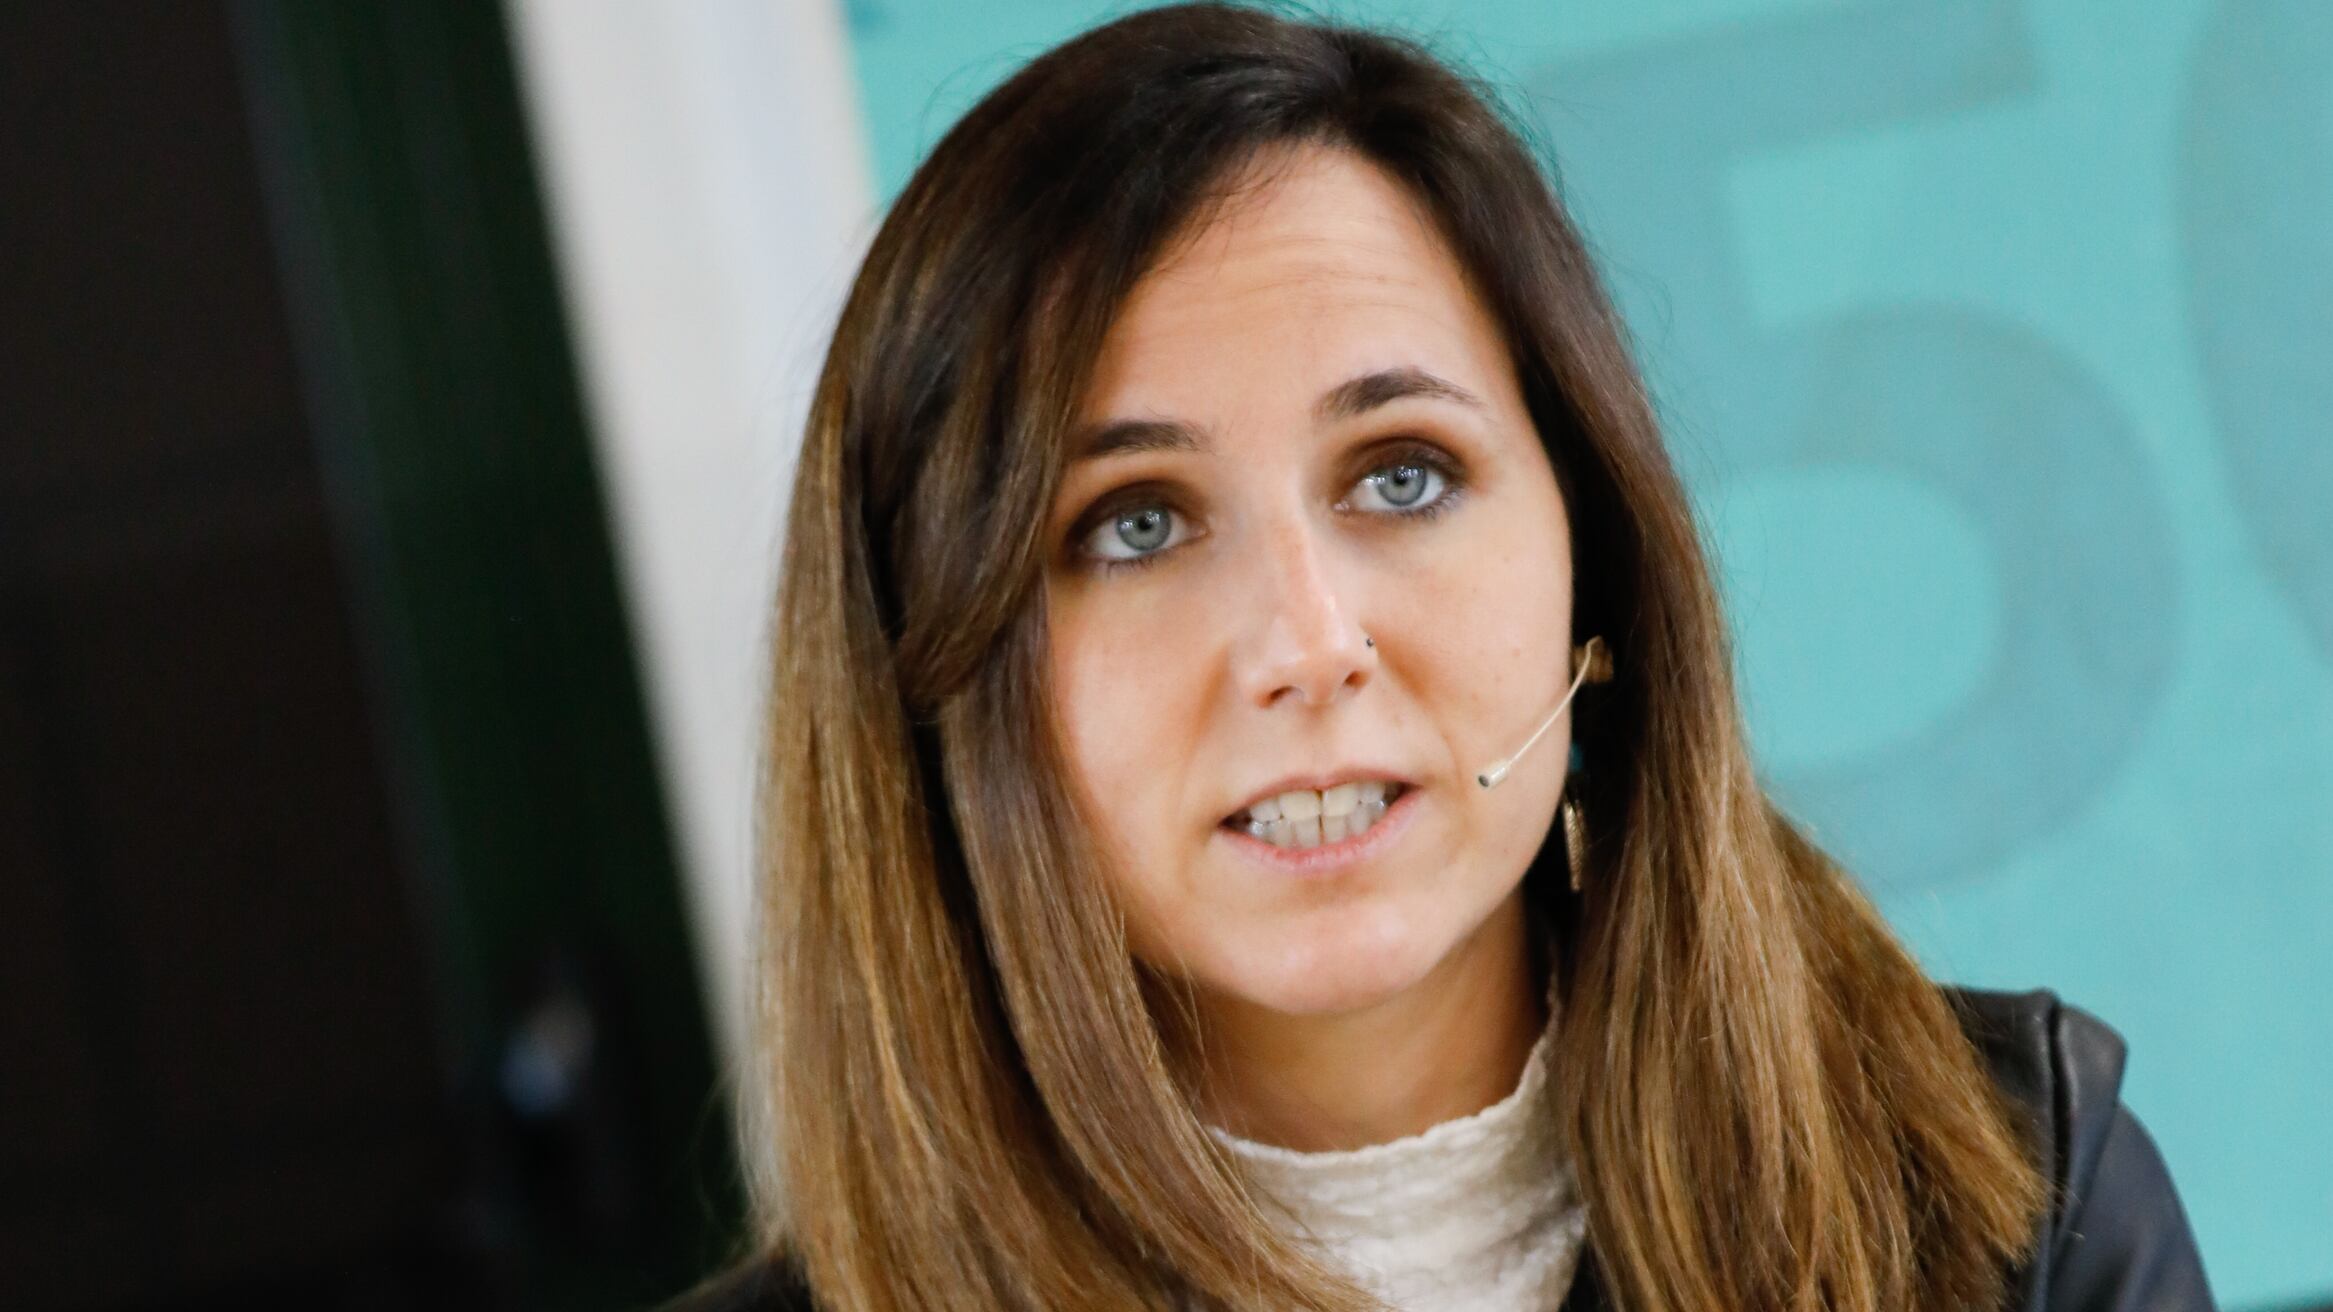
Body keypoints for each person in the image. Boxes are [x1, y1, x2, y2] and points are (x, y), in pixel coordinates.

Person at [672, 4, 2218, 1308]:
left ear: (1588, 558)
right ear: (926, 678)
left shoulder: (2018, 1198)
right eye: (1133, 524)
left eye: (1401, 476)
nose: (1308, 645)